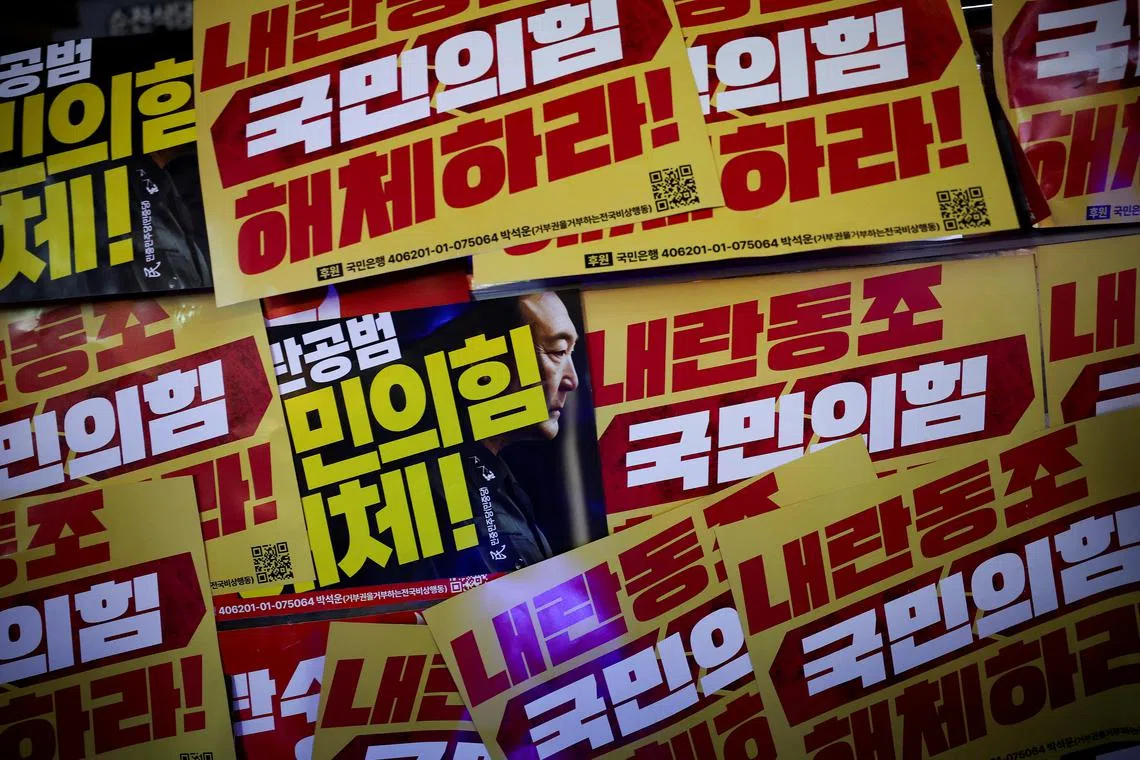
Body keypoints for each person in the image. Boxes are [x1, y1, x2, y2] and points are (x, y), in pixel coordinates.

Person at [427, 291, 582, 577]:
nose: (571, 380)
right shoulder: (433, 493)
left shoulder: (496, 478)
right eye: (558, 352)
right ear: (486, 359)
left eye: (570, 353)